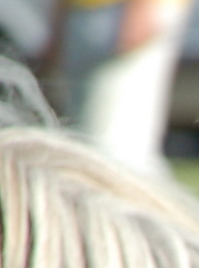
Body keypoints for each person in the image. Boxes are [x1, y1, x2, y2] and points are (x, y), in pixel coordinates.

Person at [57, 0, 190, 175]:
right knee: (84, 135)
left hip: (123, 13)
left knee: (118, 142)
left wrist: (141, 9)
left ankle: (143, 196)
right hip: (85, 10)